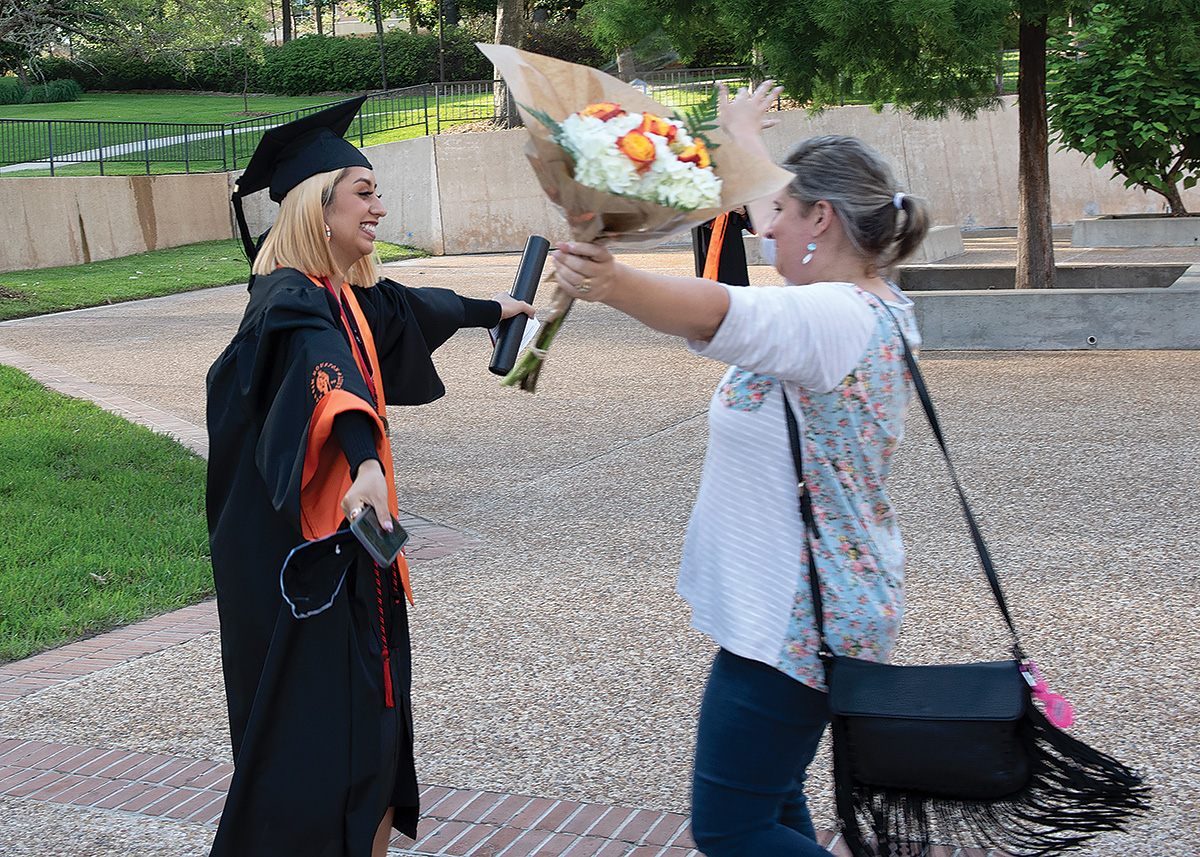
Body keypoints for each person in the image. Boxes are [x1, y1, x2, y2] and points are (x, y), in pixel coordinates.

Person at [550, 82, 930, 856]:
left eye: (784, 217)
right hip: (808, 606)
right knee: (772, 803)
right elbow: (765, 215)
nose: (765, 233)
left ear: (821, 219)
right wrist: (739, 133)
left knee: (733, 828)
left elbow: (721, 309)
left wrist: (612, 281)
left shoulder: (831, 317)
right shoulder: (870, 301)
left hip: (797, 617)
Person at [205, 96, 533, 857]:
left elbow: (402, 308)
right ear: (317, 208)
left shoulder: (339, 293)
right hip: (299, 568)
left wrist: (493, 307)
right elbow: (330, 372)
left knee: (373, 739)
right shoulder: (289, 302)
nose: (381, 207)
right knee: (325, 746)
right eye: (365, 191)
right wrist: (365, 462)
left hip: (341, 553)